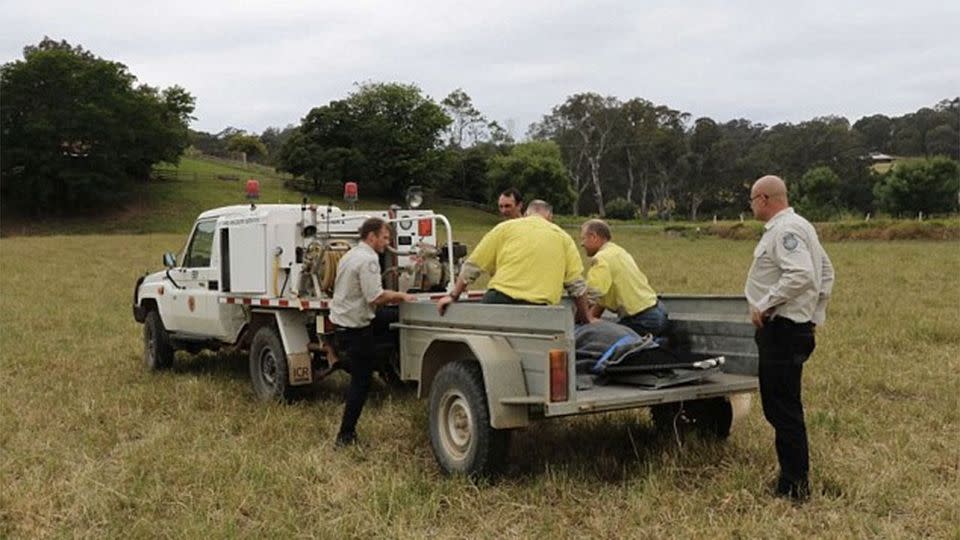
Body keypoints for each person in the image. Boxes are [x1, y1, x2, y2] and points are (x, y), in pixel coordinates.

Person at [745, 175, 835, 501]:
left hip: (782, 329)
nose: (751, 205)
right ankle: (792, 478)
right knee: (784, 406)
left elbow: (802, 274)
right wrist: (814, 313)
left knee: (782, 409)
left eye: (753, 199)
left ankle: (794, 485)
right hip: (793, 326)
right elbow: (826, 272)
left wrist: (766, 304)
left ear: (765, 198)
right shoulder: (802, 226)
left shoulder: (785, 231)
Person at [330, 217, 417, 447]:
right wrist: (403, 296)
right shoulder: (369, 259)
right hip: (356, 327)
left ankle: (391, 366)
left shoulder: (349, 254)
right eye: (385, 238)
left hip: (344, 321)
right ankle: (345, 436)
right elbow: (375, 297)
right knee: (362, 381)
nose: (387, 243)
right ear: (372, 236)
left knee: (394, 319)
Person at [437, 200, 595, 323]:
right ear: (550, 217)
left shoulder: (505, 228)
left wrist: (453, 296)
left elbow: (472, 267)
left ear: (526, 213)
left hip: (499, 300)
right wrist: (586, 318)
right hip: (539, 309)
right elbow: (577, 286)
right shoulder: (563, 238)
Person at [580, 219, 669, 336]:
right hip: (656, 311)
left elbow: (591, 295)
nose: (582, 244)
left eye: (583, 239)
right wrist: (589, 319)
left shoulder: (601, 259)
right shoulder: (618, 251)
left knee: (602, 340)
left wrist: (576, 322)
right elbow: (600, 302)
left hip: (642, 319)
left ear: (593, 237)